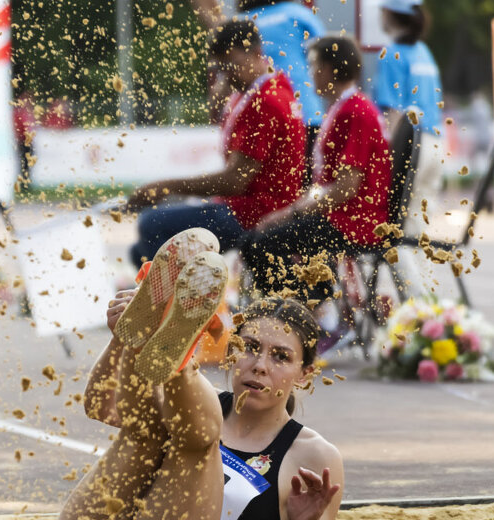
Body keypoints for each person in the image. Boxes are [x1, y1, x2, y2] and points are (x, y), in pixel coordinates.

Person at [38, 228, 343, 520]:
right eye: (250, 348)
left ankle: (178, 360)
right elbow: (100, 407)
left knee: (197, 441)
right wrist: (121, 340)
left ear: (304, 374)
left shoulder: (315, 456)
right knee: (146, 430)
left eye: (280, 357)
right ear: (231, 355)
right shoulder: (199, 404)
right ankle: (150, 340)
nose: (260, 365)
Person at [125, 19, 305, 268]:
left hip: (255, 212)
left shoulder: (266, 101)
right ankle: (177, 298)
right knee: (139, 252)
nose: (227, 74)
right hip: (245, 205)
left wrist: (166, 187)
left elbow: (235, 181)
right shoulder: (265, 88)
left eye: (232, 64)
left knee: (151, 224)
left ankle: (184, 302)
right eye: (220, 68)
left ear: (256, 54)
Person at [240, 35, 392, 302]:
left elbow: (346, 187)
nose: (310, 73)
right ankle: (317, 306)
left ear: (331, 68)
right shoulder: (344, 106)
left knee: (260, 244)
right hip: (343, 216)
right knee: (258, 238)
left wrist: (292, 211)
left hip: (355, 221)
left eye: (314, 65)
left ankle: (301, 316)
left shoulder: (355, 111)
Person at [190, 0, 325, 178]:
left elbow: (226, 66)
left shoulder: (241, 22)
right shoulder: (297, 13)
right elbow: (328, 54)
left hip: (261, 109)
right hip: (306, 114)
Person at [373, 0, 443, 290]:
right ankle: (430, 305)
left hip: (410, 147)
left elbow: (393, 115)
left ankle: (419, 312)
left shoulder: (392, 54)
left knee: (395, 235)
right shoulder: (424, 52)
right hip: (435, 144)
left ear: (390, 13)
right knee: (418, 233)